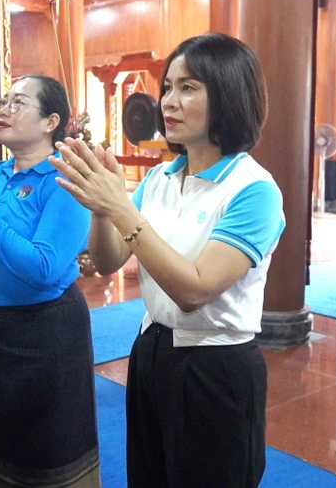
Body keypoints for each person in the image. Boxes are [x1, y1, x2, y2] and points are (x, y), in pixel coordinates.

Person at [50, 33, 282, 488]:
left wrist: (119, 206)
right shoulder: (160, 176)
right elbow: (109, 259)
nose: (168, 103)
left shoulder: (253, 190)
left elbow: (194, 289)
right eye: (168, 88)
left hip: (215, 367)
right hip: (152, 350)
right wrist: (102, 207)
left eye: (189, 87)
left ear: (230, 95)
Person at [0, 75, 100, 487]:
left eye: (18, 103)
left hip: (47, 333)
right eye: (3, 101)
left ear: (51, 121)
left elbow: (44, 268)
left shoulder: (66, 180)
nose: (3, 110)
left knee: (49, 454)